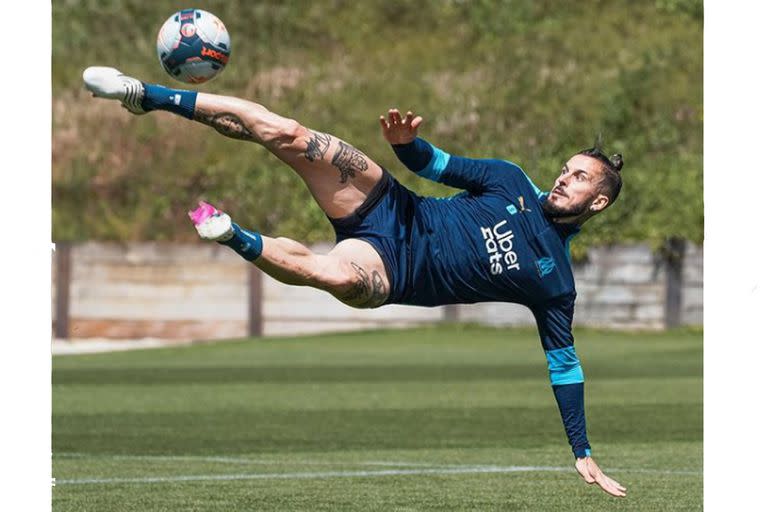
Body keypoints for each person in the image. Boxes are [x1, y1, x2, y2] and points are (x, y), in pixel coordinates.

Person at [83, 66, 627, 497]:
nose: (563, 176)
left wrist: (581, 449)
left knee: (334, 275)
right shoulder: (508, 179)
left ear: (597, 202)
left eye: (579, 176)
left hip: (391, 268)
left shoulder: (553, 283)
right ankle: (143, 94)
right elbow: (431, 163)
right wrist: (403, 142)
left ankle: (232, 236)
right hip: (389, 205)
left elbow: (564, 365)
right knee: (286, 133)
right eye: (566, 167)